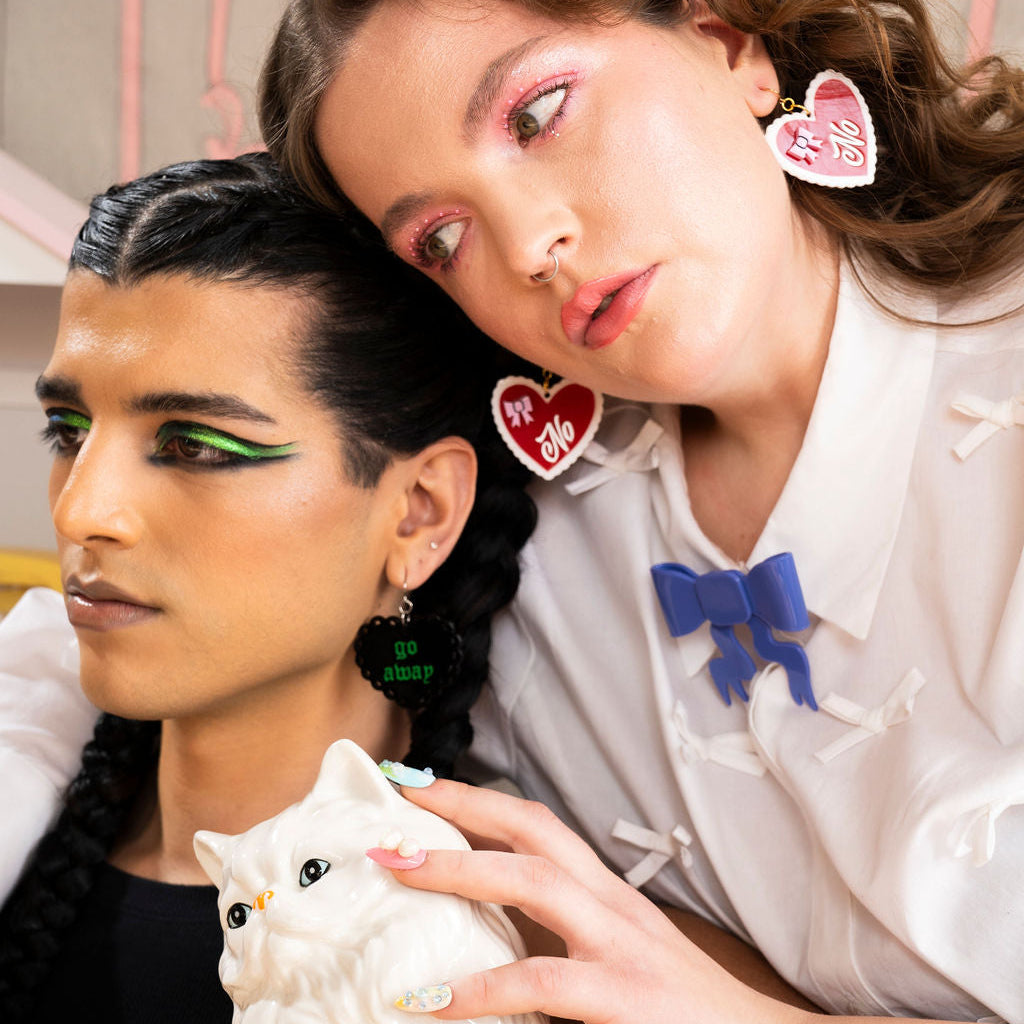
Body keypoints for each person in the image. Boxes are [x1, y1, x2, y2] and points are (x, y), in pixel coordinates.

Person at [256, 1, 1024, 1022]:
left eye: (539, 114)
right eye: (441, 237)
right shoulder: (511, 571)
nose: (531, 246)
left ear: (730, 44)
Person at [0, 151, 536, 1022]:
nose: (81, 511)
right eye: (68, 430)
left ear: (418, 512)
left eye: (194, 445)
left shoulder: (533, 953)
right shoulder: (21, 836)